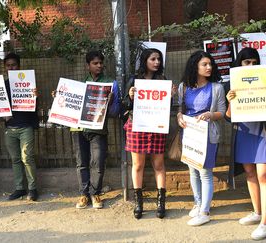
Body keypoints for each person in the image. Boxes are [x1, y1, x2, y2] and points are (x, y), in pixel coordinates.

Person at [123, 48, 175, 219]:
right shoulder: (134, 80)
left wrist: (171, 96)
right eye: (153, 59)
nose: (157, 62)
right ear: (145, 60)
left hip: (156, 126)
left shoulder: (162, 80)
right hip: (137, 125)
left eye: (158, 59)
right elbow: (124, 104)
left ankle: (161, 202)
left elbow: (167, 105)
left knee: (158, 164)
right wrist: (130, 96)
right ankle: (139, 203)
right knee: (137, 165)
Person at [177, 51, 226, 226]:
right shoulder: (184, 87)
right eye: (204, 64)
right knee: (192, 170)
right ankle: (198, 203)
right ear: (194, 66)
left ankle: (205, 211)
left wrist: (210, 115)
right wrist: (179, 118)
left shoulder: (217, 87)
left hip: (208, 135)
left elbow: (222, 112)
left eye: (210, 64)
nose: (209, 67)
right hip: (189, 134)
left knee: (205, 173)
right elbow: (180, 110)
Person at [225, 47, 266, 240]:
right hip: (243, 131)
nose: (250, 65)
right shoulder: (231, 86)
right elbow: (228, 118)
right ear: (239, 63)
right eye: (246, 62)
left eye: (254, 62)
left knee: (263, 175)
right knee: (249, 173)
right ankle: (257, 212)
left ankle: (265, 223)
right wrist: (231, 101)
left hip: (263, 131)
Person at [68, 50, 113, 209]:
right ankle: (84, 195)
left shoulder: (109, 84)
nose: (99, 65)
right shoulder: (80, 85)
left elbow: (115, 111)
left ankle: (95, 194)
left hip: (98, 130)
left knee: (98, 162)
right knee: (81, 162)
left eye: (101, 63)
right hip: (79, 129)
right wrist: (60, 97)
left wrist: (111, 101)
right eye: (95, 63)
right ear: (88, 65)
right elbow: (70, 105)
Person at [1, 53, 39, 201]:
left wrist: (35, 96)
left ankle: (32, 189)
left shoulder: (29, 83)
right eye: (8, 65)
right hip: (10, 128)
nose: (11, 67)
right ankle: (19, 188)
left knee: (27, 158)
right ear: (5, 68)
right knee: (15, 159)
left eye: (14, 65)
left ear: (19, 66)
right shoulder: (2, 86)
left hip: (25, 126)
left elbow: (35, 106)